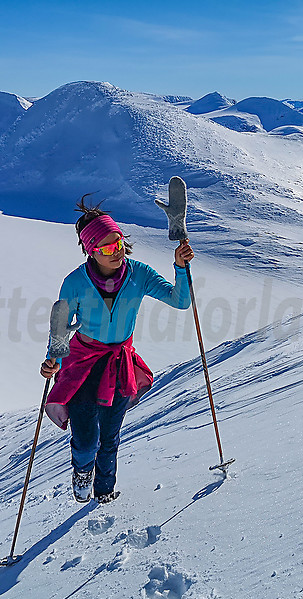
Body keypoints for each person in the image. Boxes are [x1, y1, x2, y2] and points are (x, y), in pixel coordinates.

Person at [41, 195, 194, 504]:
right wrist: (52, 359)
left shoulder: (139, 274)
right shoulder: (74, 282)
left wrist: (180, 268)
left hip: (120, 364)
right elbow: (61, 321)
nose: (118, 251)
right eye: (108, 247)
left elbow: (180, 301)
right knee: (86, 441)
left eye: (120, 243)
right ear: (90, 250)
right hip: (83, 365)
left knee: (110, 439)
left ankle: (105, 490)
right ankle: (82, 471)